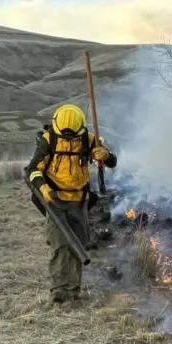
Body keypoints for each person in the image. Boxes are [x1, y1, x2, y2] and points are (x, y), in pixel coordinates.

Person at [26, 104, 116, 303]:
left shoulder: (88, 139)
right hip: (53, 200)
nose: (68, 139)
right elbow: (32, 170)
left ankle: (74, 290)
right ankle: (58, 289)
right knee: (59, 245)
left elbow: (112, 163)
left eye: (71, 136)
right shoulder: (48, 140)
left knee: (78, 245)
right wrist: (44, 189)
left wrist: (106, 155)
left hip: (79, 201)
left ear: (80, 128)